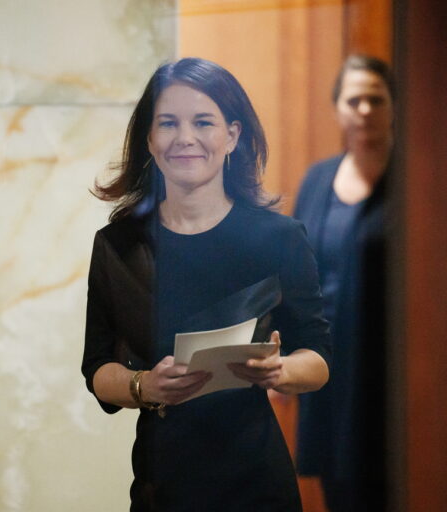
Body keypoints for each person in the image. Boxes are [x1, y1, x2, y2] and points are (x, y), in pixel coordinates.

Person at [81, 57, 331, 511]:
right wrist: (143, 386)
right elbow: (96, 369)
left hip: (257, 484)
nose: (186, 138)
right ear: (150, 140)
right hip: (162, 484)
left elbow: (319, 357)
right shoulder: (118, 244)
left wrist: (280, 371)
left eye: (203, 122)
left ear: (232, 135)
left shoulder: (278, 238)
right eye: (168, 124)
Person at [294, 55, 394, 512]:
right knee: (339, 492)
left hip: (389, 371)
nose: (366, 109)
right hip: (328, 371)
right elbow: (292, 272)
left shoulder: (417, 180)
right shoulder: (317, 180)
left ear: (394, 106)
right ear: (337, 109)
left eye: (377, 98)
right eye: (355, 99)